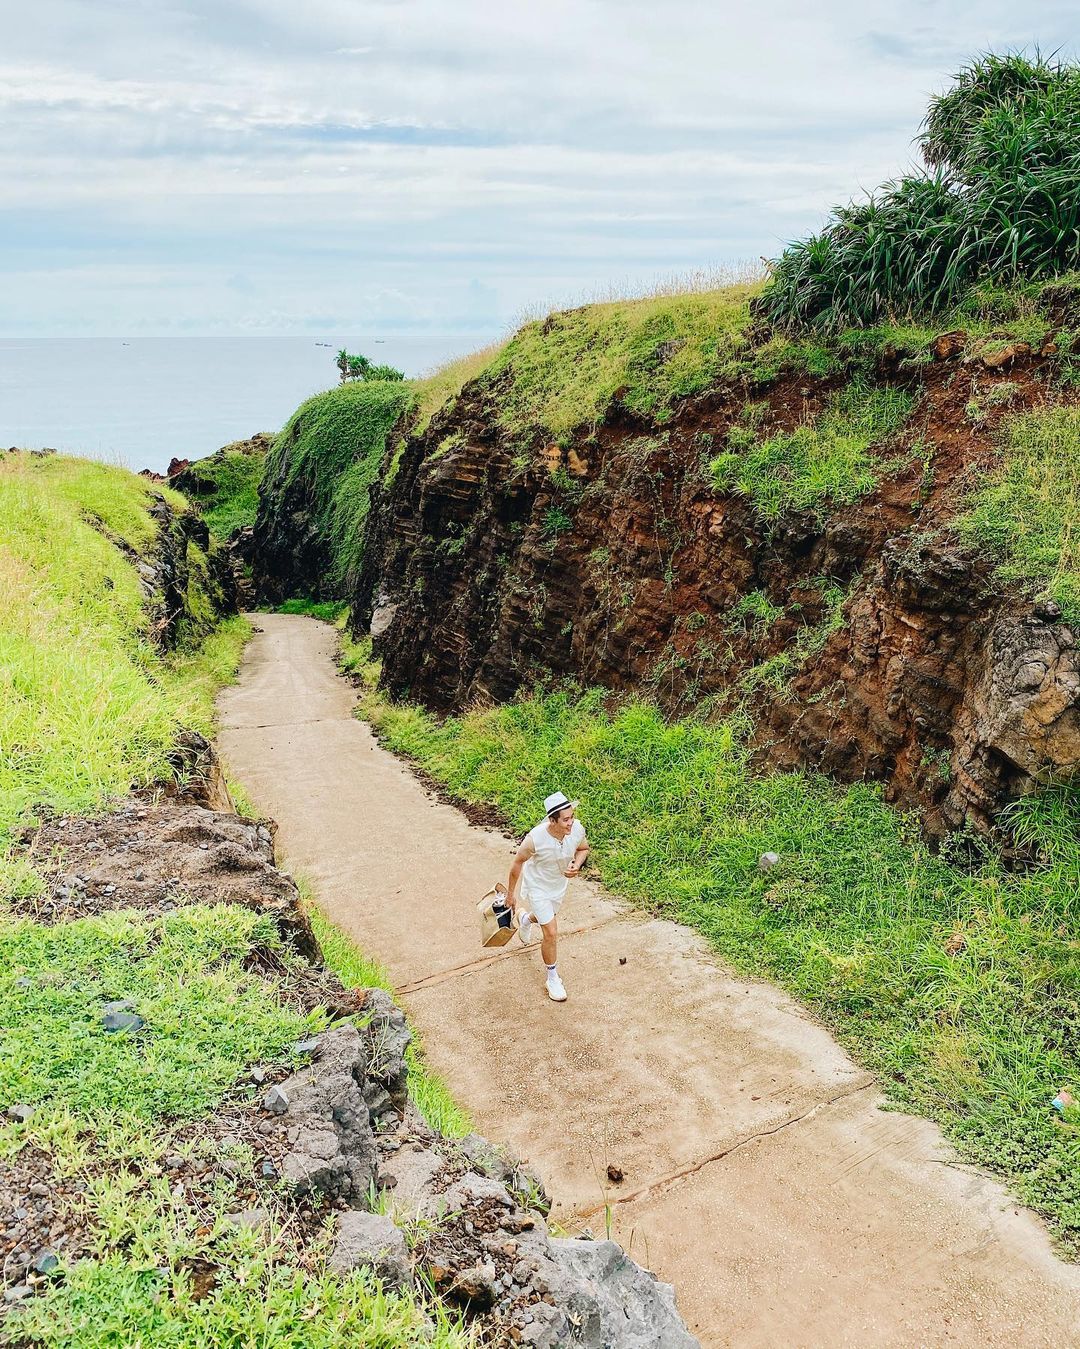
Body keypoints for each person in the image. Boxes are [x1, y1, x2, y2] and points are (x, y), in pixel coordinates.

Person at [506, 791, 589, 1002]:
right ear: (552, 820)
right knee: (551, 932)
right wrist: (510, 895)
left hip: (558, 886)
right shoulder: (535, 839)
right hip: (538, 887)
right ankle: (552, 978)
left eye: (572, 817)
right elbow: (517, 863)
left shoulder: (577, 829)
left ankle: (525, 919)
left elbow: (583, 849)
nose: (571, 822)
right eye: (566, 819)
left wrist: (576, 865)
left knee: (546, 918)